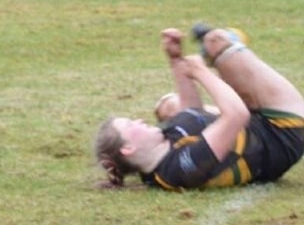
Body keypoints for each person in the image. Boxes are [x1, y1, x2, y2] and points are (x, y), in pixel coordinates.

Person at [95, 24, 304, 191]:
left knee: (168, 106)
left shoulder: (158, 151)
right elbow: (236, 115)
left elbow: (192, 114)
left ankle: (223, 52)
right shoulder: (179, 169)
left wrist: (176, 60)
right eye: (132, 124)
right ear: (128, 148)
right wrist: (201, 72)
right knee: (219, 41)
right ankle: (230, 47)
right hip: (283, 133)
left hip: (255, 127)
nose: (139, 120)